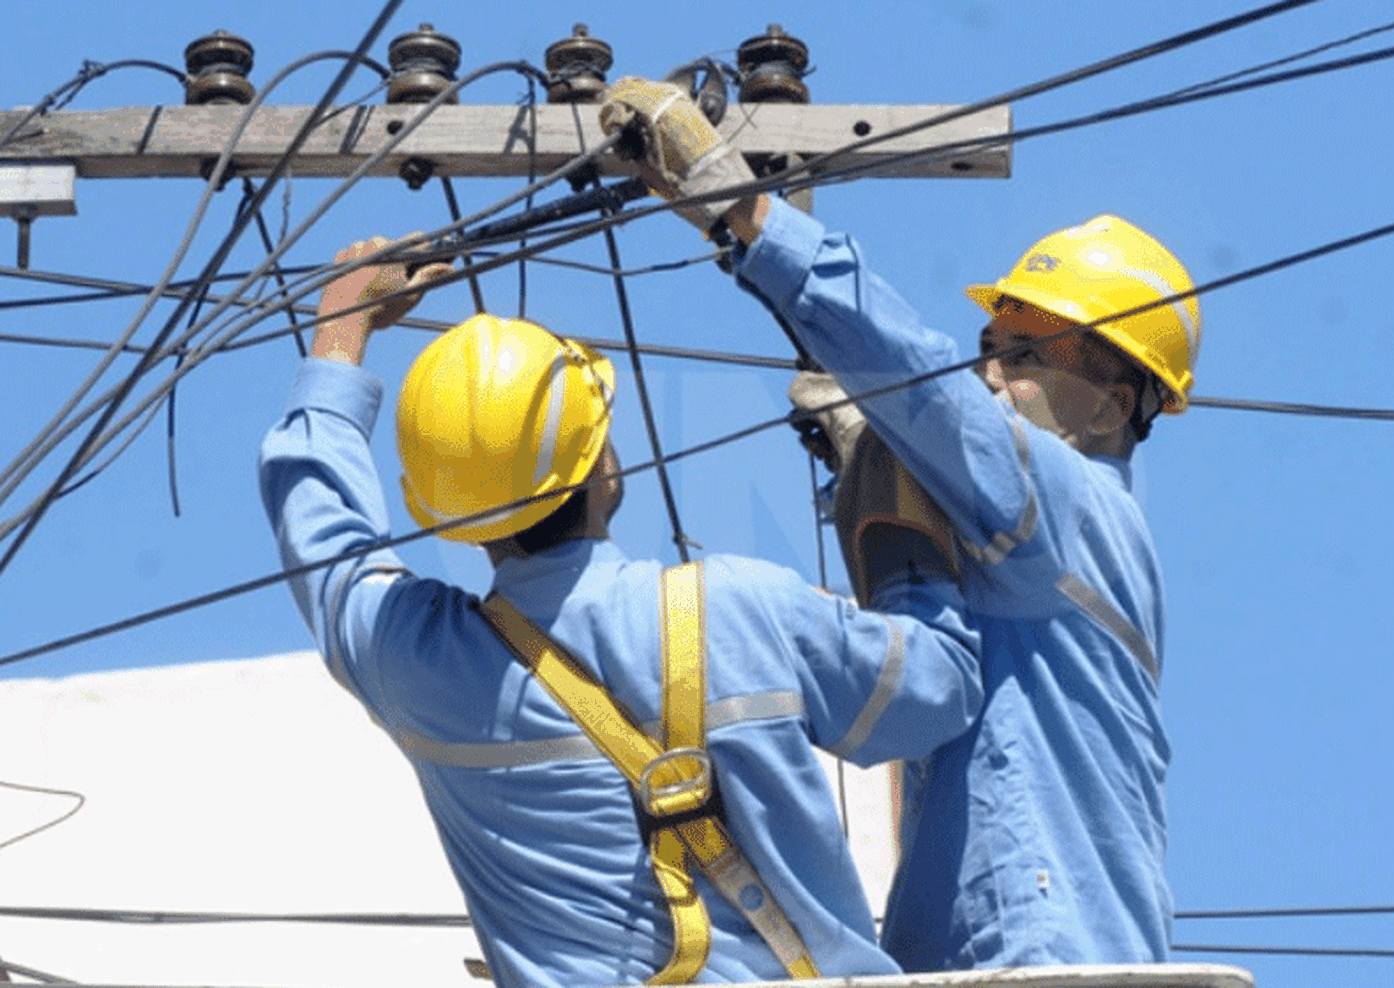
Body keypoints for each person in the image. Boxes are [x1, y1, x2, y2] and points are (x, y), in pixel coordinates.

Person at [257, 236, 982, 987]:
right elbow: (941, 689)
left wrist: (340, 328)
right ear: (602, 460)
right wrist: (885, 497)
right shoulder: (741, 608)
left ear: (440, 510)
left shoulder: (420, 666)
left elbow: (322, 532)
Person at [599, 78, 1203, 969]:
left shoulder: (1077, 509)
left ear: (1113, 408)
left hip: (1050, 960)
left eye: (1027, 358)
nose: (993, 378)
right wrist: (875, 459)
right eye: (991, 352)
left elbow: (923, 386)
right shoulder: (1024, 540)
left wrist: (746, 210)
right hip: (969, 956)